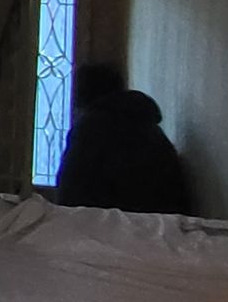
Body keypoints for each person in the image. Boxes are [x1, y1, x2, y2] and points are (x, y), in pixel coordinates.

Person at [53, 64, 191, 214]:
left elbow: (70, 188)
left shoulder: (91, 127)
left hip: (112, 224)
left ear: (82, 92)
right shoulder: (147, 125)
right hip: (161, 221)